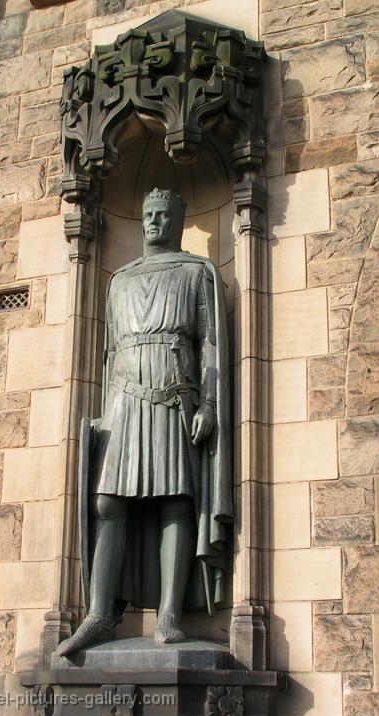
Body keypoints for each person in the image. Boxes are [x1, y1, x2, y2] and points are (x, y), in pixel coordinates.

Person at [57, 188, 232, 656]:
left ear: (178, 220)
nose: (155, 222)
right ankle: (99, 613)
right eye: (149, 215)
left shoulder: (196, 272)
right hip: (124, 403)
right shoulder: (119, 280)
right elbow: (110, 352)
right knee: (108, 502)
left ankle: (170, 614)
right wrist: (104, 413)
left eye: (164, 215)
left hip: (174, 399)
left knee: (175, 502)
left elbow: (211, 345)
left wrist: (209, 404)